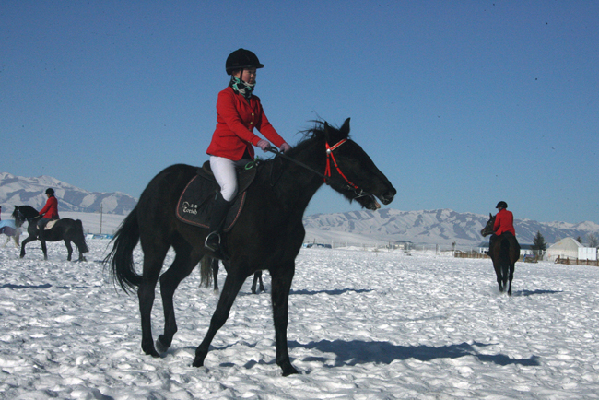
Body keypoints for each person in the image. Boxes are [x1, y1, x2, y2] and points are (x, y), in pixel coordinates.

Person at [204, 48, 291, 253]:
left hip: (245, 157)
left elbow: (265, 125)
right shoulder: (224, 96)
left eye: (254, 72)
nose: (253, 76)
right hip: (223, 155)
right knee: (230, 188)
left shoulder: (255, 100)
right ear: (236, 73)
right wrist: (257, 141)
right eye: (249, 72)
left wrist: (283, 144)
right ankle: (212, 234)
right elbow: (234, 124)